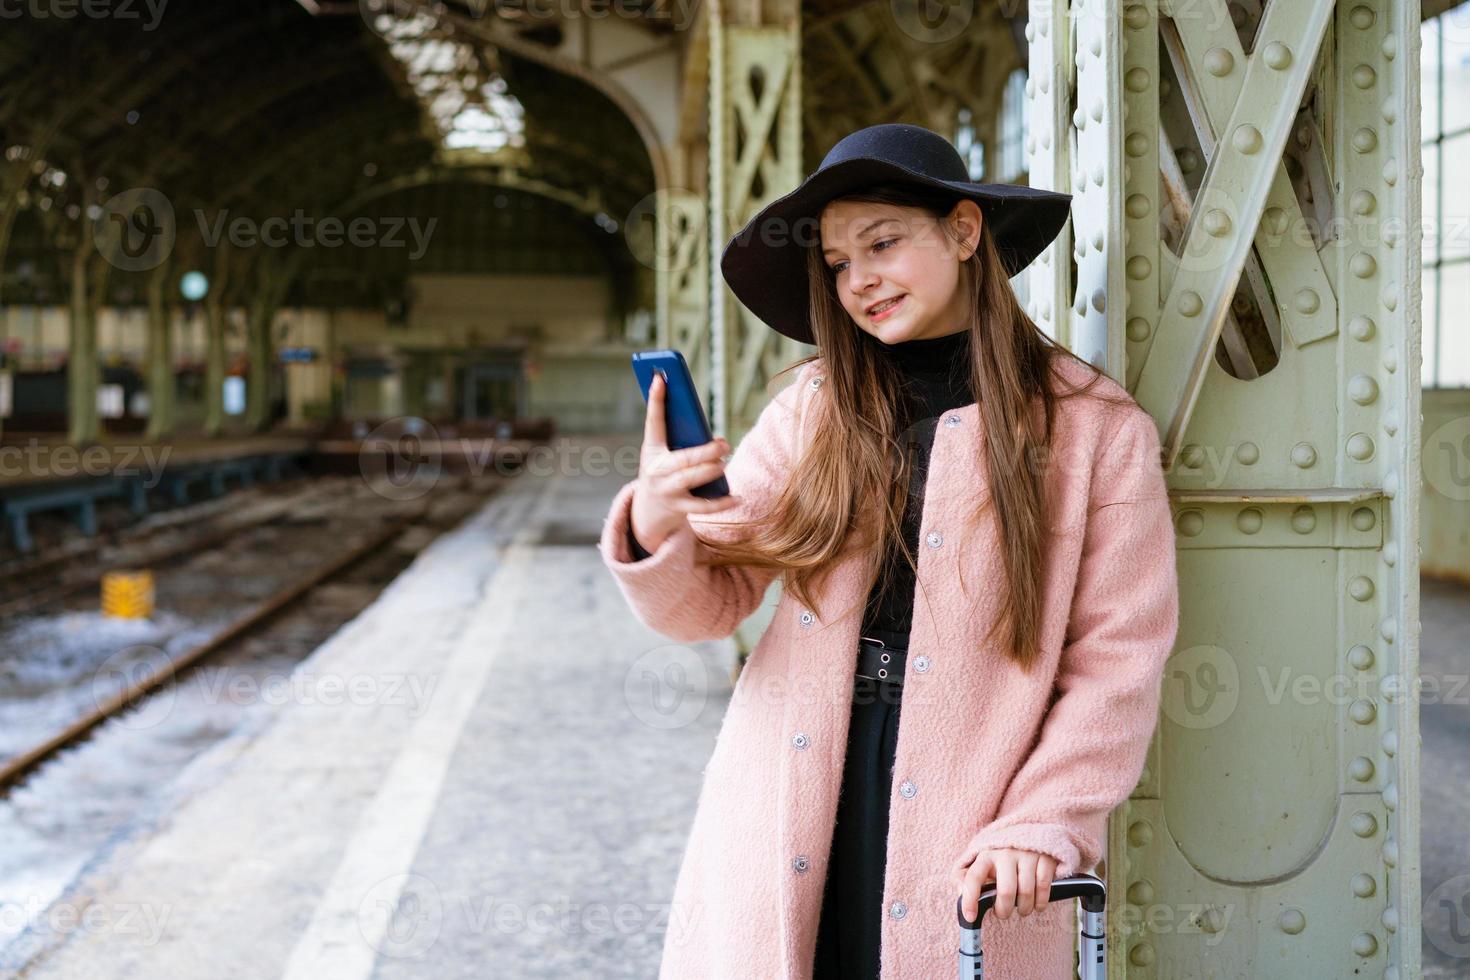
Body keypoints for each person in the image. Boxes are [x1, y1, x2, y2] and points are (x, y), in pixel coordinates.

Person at [599, 123, 1180, 979]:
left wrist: (1043, 819)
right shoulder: (813, 408)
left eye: (882, 242)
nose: (858, 279)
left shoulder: (1095, 429)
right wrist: (657, 520)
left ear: (964, 231)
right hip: (793, 782)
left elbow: (1118, 660)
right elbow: (709, 603)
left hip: (978, 796)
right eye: (837, 263)